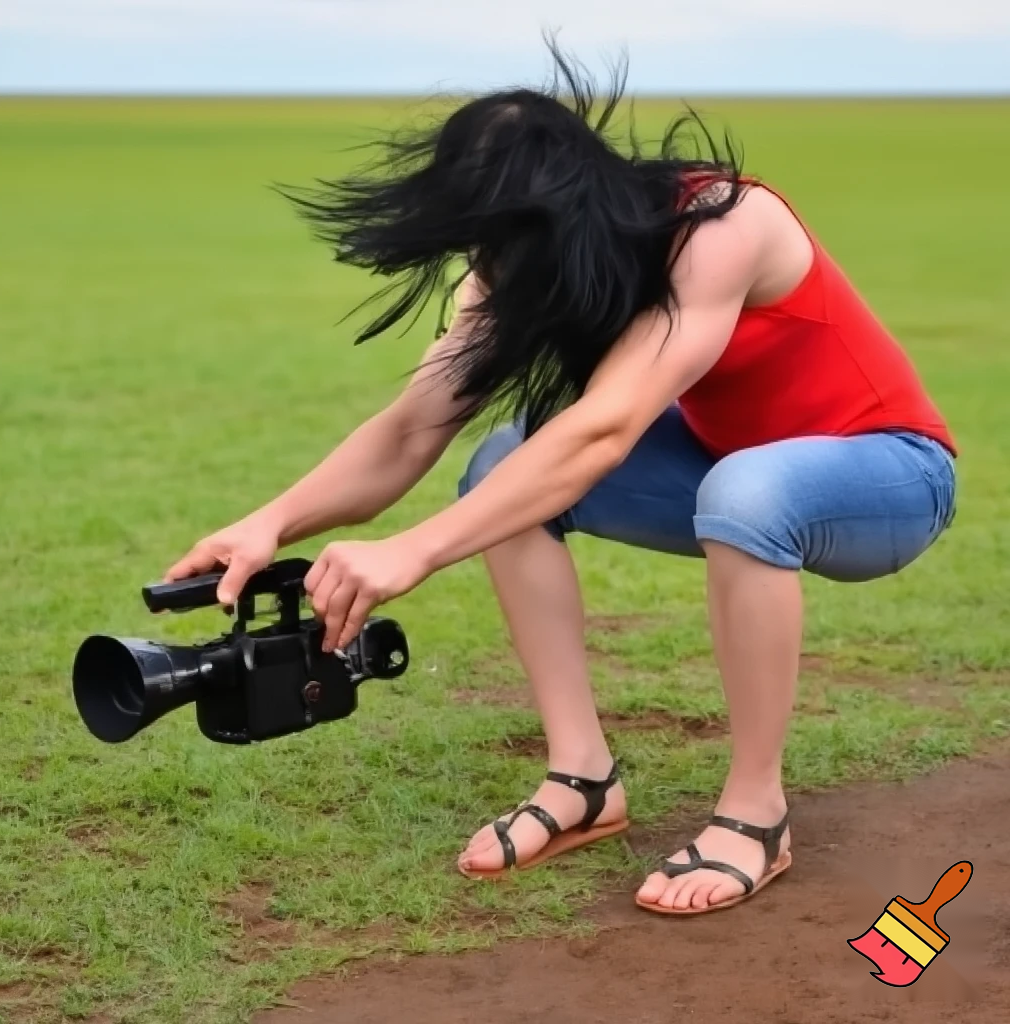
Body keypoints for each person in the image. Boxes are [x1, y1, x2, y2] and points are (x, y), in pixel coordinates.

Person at [165, 46, 957, 915]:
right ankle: (583, 777)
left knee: (745, 489)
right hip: (728, 469)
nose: (485, 262)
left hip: (892, 475)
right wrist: (271, 523)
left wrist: (413, 551)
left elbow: (607, 429)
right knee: (506, 464)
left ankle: (756, 813)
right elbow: (410, 428)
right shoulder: (510, 268)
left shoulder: (721, 228)